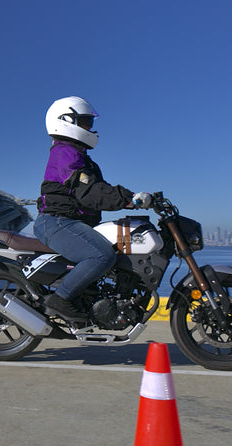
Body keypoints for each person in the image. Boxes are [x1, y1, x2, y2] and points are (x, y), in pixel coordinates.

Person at [34, 96, 152, 322]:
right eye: (86, 122)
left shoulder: (80, 157)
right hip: (58, 222)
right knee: (101, 255)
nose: (91, 128)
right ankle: (61, 299)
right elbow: (90, 191)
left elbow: (100, 190)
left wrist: (131, 198)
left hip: (70, 222)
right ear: (67, 121)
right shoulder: (64, 153)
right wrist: (132, 199)